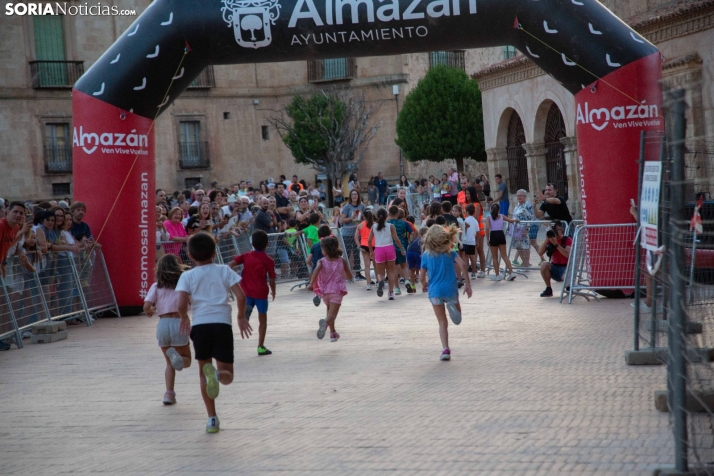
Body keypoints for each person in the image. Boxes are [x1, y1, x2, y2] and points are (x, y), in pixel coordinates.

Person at [176, 232, 252, 433]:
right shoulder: (224, 271)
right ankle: (218, 376)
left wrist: (184, 316)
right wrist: (241, 317)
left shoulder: (187, 275)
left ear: (190, 256)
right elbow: (241, 297)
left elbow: (181, 303)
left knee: (203, 371)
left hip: (200, 325)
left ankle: (212, 418)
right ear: (214, 251)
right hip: (222, 324)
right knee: (229, 375)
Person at [143, 254, 193, 405]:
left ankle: (168, 394)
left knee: (169, 363)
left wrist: (150, 311)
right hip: (179, 322)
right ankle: (179, 359)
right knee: (187, 360)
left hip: (163, 324)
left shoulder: (156, 285)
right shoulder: (184, 284)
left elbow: (146, 306)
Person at [419, 225, 472, 361]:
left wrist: (424, 284)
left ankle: (445, 349)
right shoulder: (450, 252)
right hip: (450, 289)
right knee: (458, 318)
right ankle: (453, 307)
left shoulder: (426, 255)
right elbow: (463, 264)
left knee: (442, 322)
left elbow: (421, 276)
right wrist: (467, 284)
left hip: (435, 292)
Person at [229, 230, 276, 356]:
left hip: (246, 291)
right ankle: (260, 346)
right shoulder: (268, 260)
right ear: (267, 244)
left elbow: (230, 265)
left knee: (244, 313)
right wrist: (274, 291)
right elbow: (271, 279)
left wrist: (232, 278)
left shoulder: (246, 256)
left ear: (252, 243)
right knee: (263, 319)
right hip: (261, 292)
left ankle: (246, 313)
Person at [307, 236, 352, 342]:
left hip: (325, 292)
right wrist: (348, 276)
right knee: (332, 315)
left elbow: (316, 271)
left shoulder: (321, 261)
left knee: (328, 310)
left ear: (326, 249)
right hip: (337, 291)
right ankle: (325, 324)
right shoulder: (342, 261)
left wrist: (311, 284)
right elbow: (349, 275)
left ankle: (333, 333)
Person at [368, 208, 406, 300]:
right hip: (389, 248)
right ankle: (391, 293)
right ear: (387, 215)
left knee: (380, 272)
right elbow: (396, 239)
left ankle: (381, 281)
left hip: (379, 249)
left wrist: (371, 252)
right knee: (391, 271)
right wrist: (402, 249)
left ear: (376, 216)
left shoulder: (374, 227)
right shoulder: (391, 226)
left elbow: (369, 240)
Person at [484, 203, 518, 281]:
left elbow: (487, 228)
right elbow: (510, 220)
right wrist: (516, 220)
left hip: (493, 235)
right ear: (499, 210)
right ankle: (511, 272)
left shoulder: (488, 217)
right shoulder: (502, 216)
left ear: (491, 210)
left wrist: (487, 239)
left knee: (495, 257)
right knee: (504, 255)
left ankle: (497, 275)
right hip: (501, 234)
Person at [538, 220, 571, 297]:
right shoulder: (550, 240)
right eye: (553, 230)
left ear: (561, 229)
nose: (554, 232)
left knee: (565, 276)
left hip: (565, 268)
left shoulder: (567, 240)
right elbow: (540, 253)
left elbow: (567, 255)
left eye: (556, 230)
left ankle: (569, 287)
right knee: (544, 265)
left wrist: (556, 244)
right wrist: (547, 240)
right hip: (555, 267)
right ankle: (548, 288)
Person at [387, 205, 413, 295]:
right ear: (398, 213)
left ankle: (397, 288)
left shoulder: (388, 224)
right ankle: (406, 280)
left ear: (389, 213)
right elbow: (405, 234)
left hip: (391, 247)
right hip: (401, 247)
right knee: (404, 265)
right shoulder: (402, 223)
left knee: (394, 268)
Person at [340, 189, 366, 280]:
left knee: (356, 253)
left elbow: (365, 218)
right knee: (347, 253)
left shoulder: (362, 206)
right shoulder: (347, 207)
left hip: (357, 233)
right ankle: (346, 273)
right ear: (350, 196)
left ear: (358, 196)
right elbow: (342, 220)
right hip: (347, 233)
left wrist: (362, 220)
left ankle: (358, 273)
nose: (354, 196)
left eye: (356, 194)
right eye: (352, 194)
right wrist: (351, 218)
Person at [511, 189, 538, 267]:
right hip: (516, 230)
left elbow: (531, 217)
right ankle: (524, 263)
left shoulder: (528, 205)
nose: (519, 197)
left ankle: (526, 263)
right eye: (518, 196)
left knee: (525, 246)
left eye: (521, 196)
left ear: (525, 197)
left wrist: (527, 229)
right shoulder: (517, 205)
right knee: (518, 246)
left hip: (524, 228)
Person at [355, 209, 376, 291]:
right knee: (376, 265)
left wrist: (359, 246)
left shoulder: (360, 225)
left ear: (363, 216)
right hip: (374, 245)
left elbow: (356, 237)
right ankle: (378, 281)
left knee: (366, 265)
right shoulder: (374, 225)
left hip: (364, 245)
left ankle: (368, 284)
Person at [407, 226, 427, 293]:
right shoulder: (426, 240)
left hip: (409, 252)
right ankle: (424, 286)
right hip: (418, 253)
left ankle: (413, 286)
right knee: (422, 269)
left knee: (412, 270)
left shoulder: (416, 239)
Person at [462, 204, 480, 279]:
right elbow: (478, 232)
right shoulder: (475, 221)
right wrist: (477, 241)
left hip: (466, 241)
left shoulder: (466, 220)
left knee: (466, 258)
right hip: (472, 241)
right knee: (473, 257)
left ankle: (465, 273)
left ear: (467, 212)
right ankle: (473, 272)